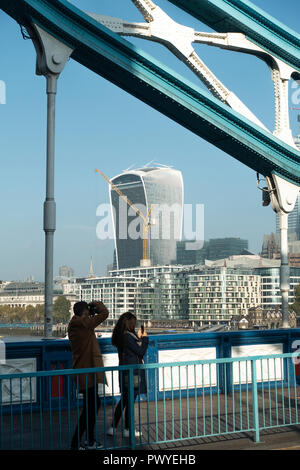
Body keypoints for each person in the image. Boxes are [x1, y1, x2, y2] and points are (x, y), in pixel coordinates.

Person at [68, 300, 109, 450]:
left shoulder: (78, 323)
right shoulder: (81, 324)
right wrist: (98, 305)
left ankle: (90, 440)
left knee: (92, 405)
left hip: (87, 370)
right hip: (85, 371)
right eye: (88, 312)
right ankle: (77, 442)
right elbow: (105, 314)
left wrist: (89, 311)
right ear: (84, 312)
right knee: (89, 408)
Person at [107, 312, 148, 438]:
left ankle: (114, 428)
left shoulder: (122, 336)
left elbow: (133, 350)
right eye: (134, 323)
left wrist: (139, 338)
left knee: (125, 400)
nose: (135, 325)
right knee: (129, 401)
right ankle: (128, 429)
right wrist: (145, 338)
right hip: (131, 372)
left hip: (125, 371)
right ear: (130, 322)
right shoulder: (128, 337)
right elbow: (140, 351)